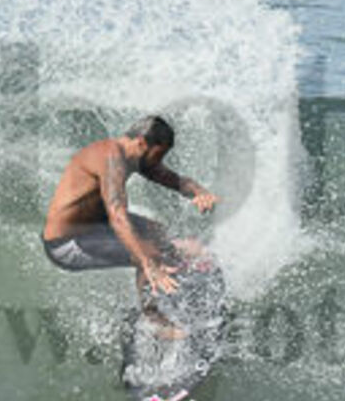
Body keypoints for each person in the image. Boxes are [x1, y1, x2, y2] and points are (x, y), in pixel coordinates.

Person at [41, 115, 217, 331]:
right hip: (67, 243)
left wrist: (200, 192)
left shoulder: (134, 157)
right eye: (158, 155)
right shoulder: (110, 156)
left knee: (158, 232)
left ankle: (177, 286)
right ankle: (154, 320)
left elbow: (175, 180)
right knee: (149, 252)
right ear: (141, 143)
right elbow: (118, 216)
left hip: (96, 226)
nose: (158, 162)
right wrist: (148, 261)